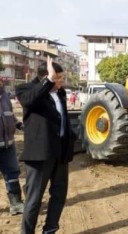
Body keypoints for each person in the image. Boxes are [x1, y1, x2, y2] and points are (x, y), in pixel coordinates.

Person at [16, 56, 76, 234]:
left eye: (61, 78)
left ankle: (50, 230)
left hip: (60, 154)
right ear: (45, 77)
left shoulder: (61, 93)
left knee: (59, 195)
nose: (61, 82)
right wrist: (49, 81)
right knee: (34, 199)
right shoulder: (26, 89)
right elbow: (28, 101)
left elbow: (62, 118)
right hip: (40, 155)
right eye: (57, 78)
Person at [0, 78, 24, 216]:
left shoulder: (5, 96)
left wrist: (20, 125)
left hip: (8, 145)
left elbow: (10, 116)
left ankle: (16, 204)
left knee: (12, 174)